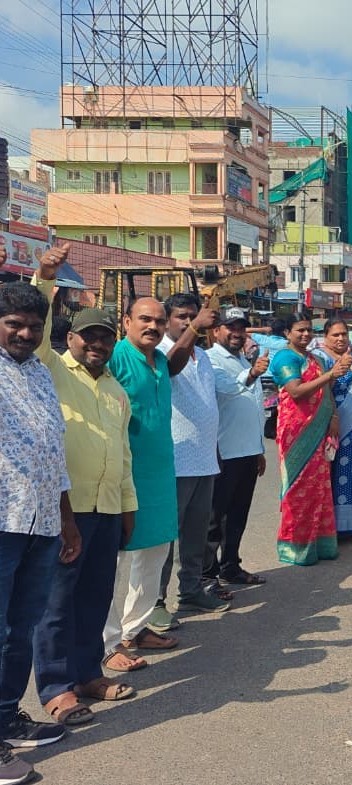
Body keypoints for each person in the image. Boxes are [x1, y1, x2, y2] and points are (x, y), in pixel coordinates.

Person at [31, 251, 137, 729]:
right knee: (56, 602)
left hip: (109, 508)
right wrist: (47, 278)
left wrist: (129, 507)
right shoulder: (51, 370)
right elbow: (37, 327)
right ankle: (56, 690)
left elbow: (123, 453)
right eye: (88, 336)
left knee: (96, 596)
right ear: (71, 338)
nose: (97, 344)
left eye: (104, 338)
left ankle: (87, 673)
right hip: (66, 509)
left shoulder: (115, 388)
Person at [0, 274, 81, 783]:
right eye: (13, 325)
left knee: (20, 627)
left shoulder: (40, 375)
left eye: (33, 326)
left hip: (42, 521)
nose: (25, 335)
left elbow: (56, 453)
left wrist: (67, 520)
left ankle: (6, 714)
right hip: (3, 521)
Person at [104, 297, 188, 670]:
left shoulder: (162, 362)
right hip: (122, 474)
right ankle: (107, 644)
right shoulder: (116, 357)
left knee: (154, 553)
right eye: (144, 319)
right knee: (114, 561)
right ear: (126, 321)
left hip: (158, 474)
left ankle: (134, 629)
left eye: (158, 321)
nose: (152, 326)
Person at [153, 293, 227, 629]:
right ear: (168, 320)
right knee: (168, 538)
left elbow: (209, 403)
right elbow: (170, 365)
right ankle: (155, 601)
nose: (188, 321)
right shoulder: (161, 352)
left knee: (196, 535)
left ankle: (192, 590)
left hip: (203, 460)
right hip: (176, 460)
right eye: (181, 316)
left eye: (192, 316)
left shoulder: (204, 356)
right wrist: (194, 329)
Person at [270, 313, 350, 565]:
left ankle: (319, 544)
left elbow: (325, 392)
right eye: (299, 330)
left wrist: (334, 417)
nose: (305, 335)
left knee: (319, 489)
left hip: (320, 429)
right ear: (287, 333)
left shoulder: (314, 358)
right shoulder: (285, 357)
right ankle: (295, 548)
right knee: (298, 491)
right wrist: (331, 374)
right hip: (296, 432)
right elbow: (295, 391)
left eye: (308, 330)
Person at [205, 308, 270, 585]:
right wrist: (253, 374)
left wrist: (259, 450)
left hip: (246, 453)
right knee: (213, 520)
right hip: (224, 453)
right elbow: (228, 389)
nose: (236, 333)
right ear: (216, 330)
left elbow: (253, 407)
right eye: (230, 327)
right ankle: (206, 577)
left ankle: (230, 565)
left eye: (241, 328)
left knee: (238, 516)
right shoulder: (210, 361)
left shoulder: (242, 359)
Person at [312, 319, 352, 541]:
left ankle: (348, 527)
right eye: (335, 335)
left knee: (349, 476)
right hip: (326, 426)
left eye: (344, 334)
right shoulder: (319, 361)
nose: (340, 339)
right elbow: (318, 391)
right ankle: (325, 527)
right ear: (325, 337)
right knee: (325, 476)